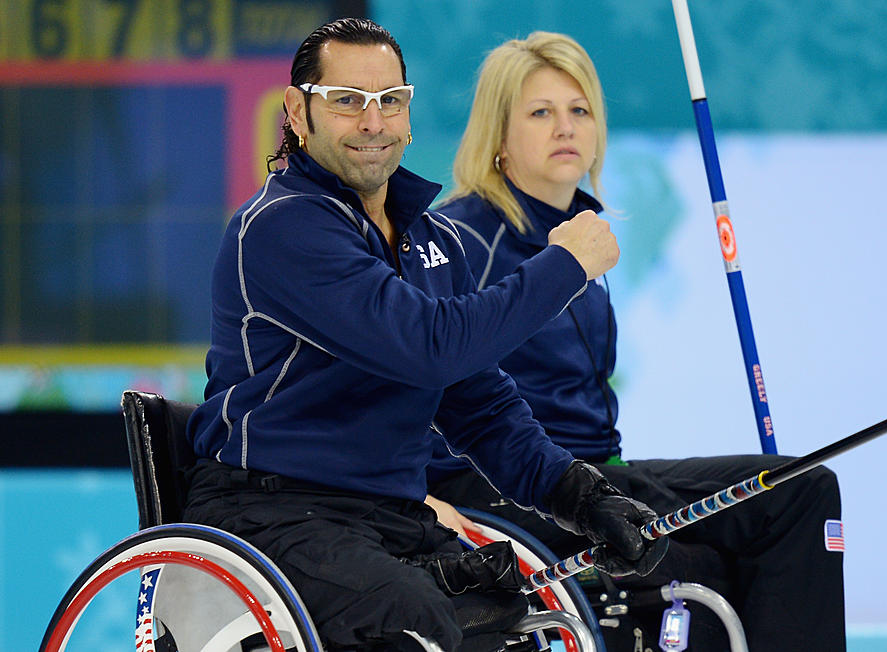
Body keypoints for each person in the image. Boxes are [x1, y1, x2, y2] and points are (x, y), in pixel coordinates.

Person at [182, 18, 670, 652]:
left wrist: (581, 496)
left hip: (386, 516)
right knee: (421, 624)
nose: (372, 121)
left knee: (514, 625)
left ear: (408, 113)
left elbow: (481, 406)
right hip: (273, 516)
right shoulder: (281, 228)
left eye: (390, 101)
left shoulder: (433, 241)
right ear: (298, 113)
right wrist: (565, 264)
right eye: (347, 101)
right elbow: (432, 346)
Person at [425, 32, 846, 651]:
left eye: (580, 111)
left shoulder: (583, 237)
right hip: (519, 488)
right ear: (498, 136)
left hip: (601, 473)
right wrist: (423, 497)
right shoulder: (464, 238)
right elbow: (417, 372)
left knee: (799, 488)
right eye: (540, 112)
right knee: (718, 556)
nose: (564, 127)